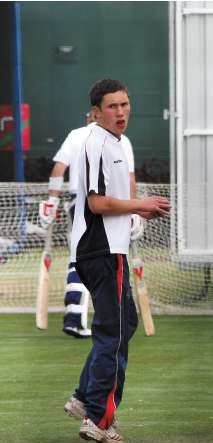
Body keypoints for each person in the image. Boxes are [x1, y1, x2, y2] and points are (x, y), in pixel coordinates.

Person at [64, 79, 171, 443]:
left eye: (125, 104)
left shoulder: (119, 142)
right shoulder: (95, 141)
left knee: (124, 323)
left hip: (112, 248)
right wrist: (139, 205)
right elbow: (96, 203)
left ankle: (84, 397)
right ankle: (99, 418)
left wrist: (138, 212)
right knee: (115, 330)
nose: (121, 112)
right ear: (96, 112)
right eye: (112, 106)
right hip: (101, 250)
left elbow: (119, 195)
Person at [39, 110, 140, 338]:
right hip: (108, 205)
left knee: (80, 257)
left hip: (78, 204)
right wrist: (134, 209)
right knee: (107, 259)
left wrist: (52, 199)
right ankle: (110, 316)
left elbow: (58, 168)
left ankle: (75, 315)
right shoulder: (120, 139)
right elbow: (130, 178)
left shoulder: (76, 135)